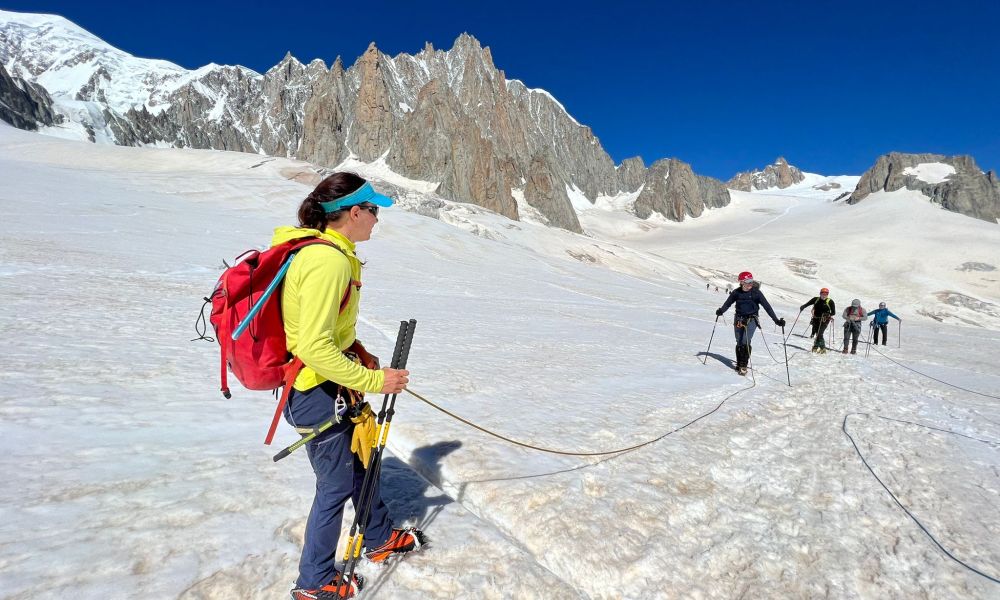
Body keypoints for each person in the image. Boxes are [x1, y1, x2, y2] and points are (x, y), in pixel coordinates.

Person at [277, 173, 422, 599]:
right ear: (354, 213)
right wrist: (376, 380)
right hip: (314, 393)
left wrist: (356, 349)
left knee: (360, 466)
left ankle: (377, 537)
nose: (377, 220)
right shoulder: (328, 261)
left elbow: (324, 330)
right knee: (336, 485)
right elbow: (314, 346)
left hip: (327, 388)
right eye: (373, 211)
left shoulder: (328, 253)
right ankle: (314, 582)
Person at [716, 271, 785, 375]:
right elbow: (728, 303)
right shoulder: (736, 293)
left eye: (751, 281)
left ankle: (743, 365)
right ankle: (739, 363)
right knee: (739, 341)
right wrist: (721, 311)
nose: (750, 284)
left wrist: (776, 320)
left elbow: (767, 307)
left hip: (752, 319)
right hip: (738, 319)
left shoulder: (756, 293)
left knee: (745, 341)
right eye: (748, 281)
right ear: (741, 282)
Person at [800, 288, 836, 353]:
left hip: (825, 320)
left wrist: (827, 314)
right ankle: (815, 347)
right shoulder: (816, 299)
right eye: (823, 293)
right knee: (817, 333)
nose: (824, 295)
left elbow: (833, 312)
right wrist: (803, 306)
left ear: (827, 294)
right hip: (816, 319)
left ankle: (822, 348)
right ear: (820, 293)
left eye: (826, 294)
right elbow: (808, 303)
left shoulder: (830, 301)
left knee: (820, 333)